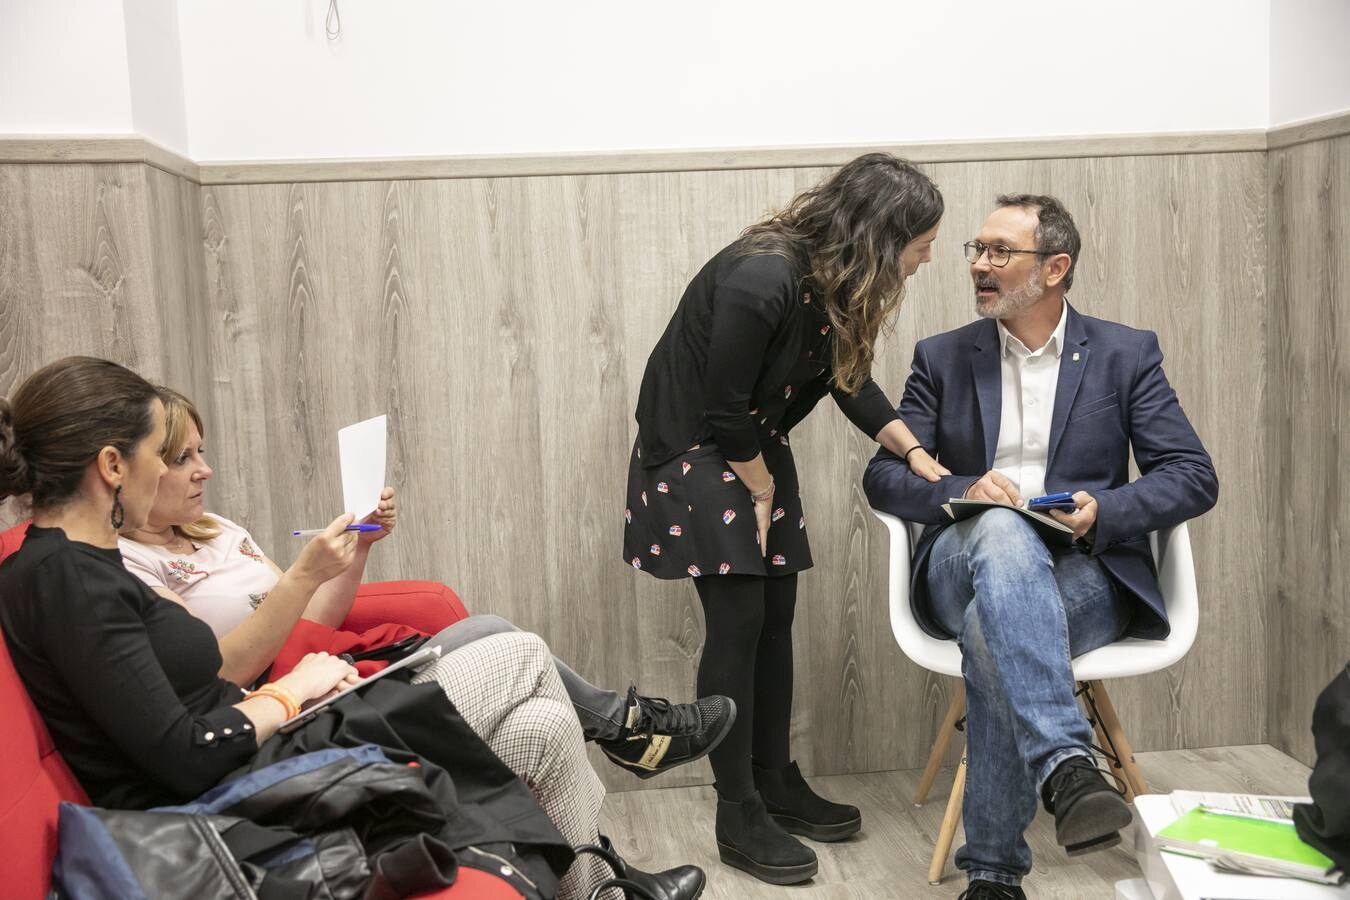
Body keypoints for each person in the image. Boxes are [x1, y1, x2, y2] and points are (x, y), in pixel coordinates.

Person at [0, 357, 705, 900]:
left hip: (262, 748)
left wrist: (288, 687)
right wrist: (289, 691)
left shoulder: (84, 564)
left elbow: (173, 693)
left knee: (543, 729)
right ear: (113, 465)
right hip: (225, 795)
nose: (176, 472)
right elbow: (182, 754)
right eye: (164, 454)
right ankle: (632, 735)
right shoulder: (66, 577)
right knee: (515, 653)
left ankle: (603, 886)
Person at [863, 195, 1219, 900]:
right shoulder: (942, 357)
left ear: (1055, 268)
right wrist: (967, 487)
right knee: (999, 531)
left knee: (992, 636)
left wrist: (1106, 509)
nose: (979, 266)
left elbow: (1192, 475)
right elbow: (882, 478)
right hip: (963, 560)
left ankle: (993, 876)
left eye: (1000, 252)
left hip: (1081, 570)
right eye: (976, 249)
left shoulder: (1124, 353)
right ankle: (1067, 760)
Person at [119, 387, 734, 782]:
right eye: (181, 458)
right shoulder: (130, 566)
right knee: (503, 637)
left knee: (542, 721)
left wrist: (356, 547)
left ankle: (599, 872)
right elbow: (218, 671)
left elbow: (312, 624)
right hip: (287, 704)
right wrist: (304, 571)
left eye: (201, 451)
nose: (204, 470)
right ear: (127, 466)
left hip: (324, 667)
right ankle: (628, 729)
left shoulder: (216, 529)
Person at [624, 152, 948, 884]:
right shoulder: (762, 275)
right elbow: (721, 410)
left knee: (776, 618)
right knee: (737, 625)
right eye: (921, 245)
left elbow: (847, 376)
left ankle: (774, 779)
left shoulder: (830, 277)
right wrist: (763, 491)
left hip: (752, 446)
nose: (925, 259)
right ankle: (735, 810)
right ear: (880, 233)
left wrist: (915, 451)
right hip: (699, 449)